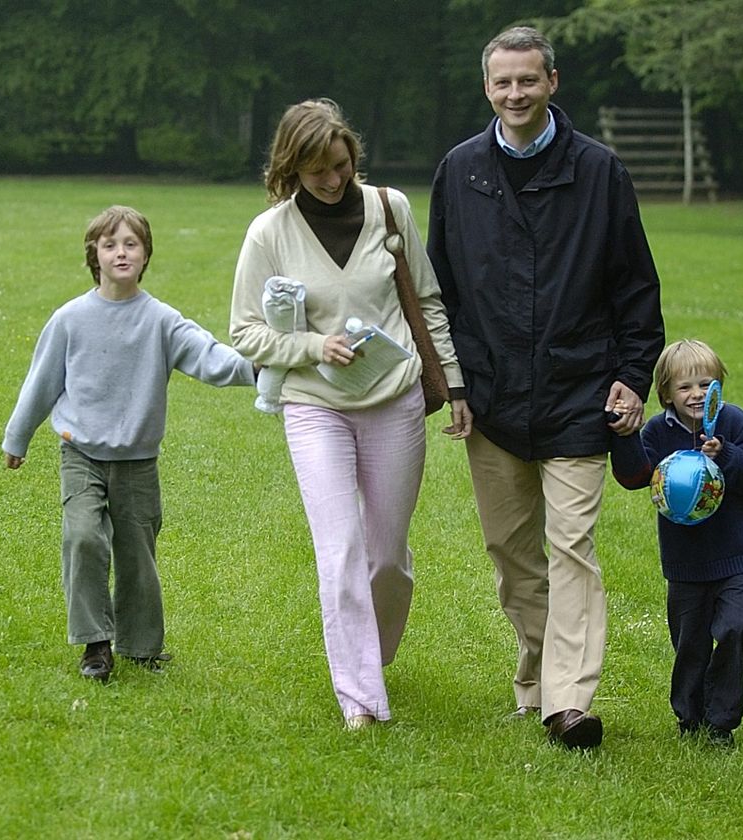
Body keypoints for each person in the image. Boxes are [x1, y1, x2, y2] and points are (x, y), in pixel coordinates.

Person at [426, 26, 665, 750]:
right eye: (503, 82)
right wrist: (454, 382)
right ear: (486, 87)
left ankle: (569, 702)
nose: (516, 93)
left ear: (553, 82)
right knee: (512, 555)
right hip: (492, 398)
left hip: (578, 393)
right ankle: (537, 677)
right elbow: (441, 292)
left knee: (572, 547)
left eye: (528, 80)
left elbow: (636, 288)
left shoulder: (599, 171)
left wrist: (632, 377)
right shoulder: (460, 171)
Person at [230, 99, 472, 730]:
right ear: (291, 169)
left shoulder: (391, 209)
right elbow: (245, 331)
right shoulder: (269, 233)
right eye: (318, 172)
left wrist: (455, 383)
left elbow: (428, 301)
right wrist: (314, 346)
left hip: (395, 398)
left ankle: (374, 653)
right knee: (339, 550)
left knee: (387, 557)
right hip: (315, 407)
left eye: (341, 165)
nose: (333, 180)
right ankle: (360, 697)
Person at [3, 205, 255, 683]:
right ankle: (96, 644)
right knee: (83, 538)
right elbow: (41, 383)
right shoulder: (70, 319)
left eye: (131, 244)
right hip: (81, 454)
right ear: (94, 256)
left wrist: (261, 368)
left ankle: (140, 646)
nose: (121, 252)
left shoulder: (160, 320)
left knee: (137, 553)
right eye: (110, 244)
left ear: (145, 255)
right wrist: (18, 436)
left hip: (138, 461)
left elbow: (211, 357)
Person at [608, 339, 743, 747]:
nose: (696, 394)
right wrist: (625, 436)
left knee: (735, 628)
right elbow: (633, 477)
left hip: (736, 556)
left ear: (718, 386)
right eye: (684, 387)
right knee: (689, 643)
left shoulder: (732, 421)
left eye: (705, 384)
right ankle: (690, 715)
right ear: (666, 394)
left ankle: (721, 722)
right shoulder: (657, 431)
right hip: (685, 561)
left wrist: (726, 456)